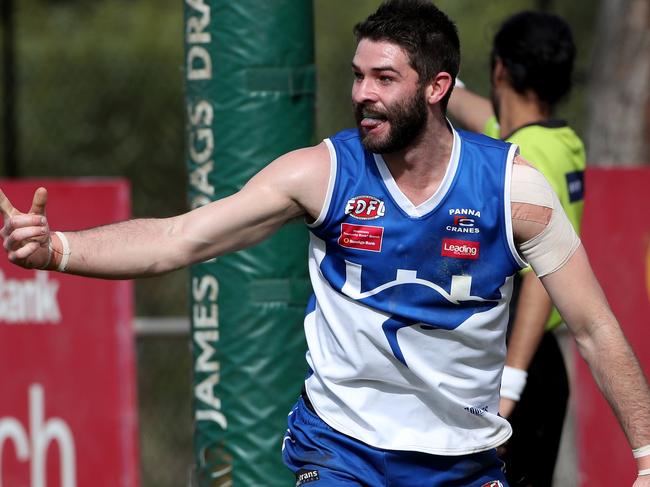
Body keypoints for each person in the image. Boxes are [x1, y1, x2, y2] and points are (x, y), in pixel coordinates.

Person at [1, 1, 649, 486]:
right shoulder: (322, 173)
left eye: (384, 78)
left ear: (437, 88)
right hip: (343, 454)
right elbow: (177, 239)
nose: (363, 93)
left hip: (464, 462)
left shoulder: (514, 189)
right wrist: (57, 248)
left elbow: (595, 328)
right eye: (358, 75)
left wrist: (646, 455)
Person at [448, 11, 585, 485]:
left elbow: (541, 285)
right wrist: (432, 74)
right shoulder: (553, 141)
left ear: (501, 68)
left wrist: (509, 388)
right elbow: (478, 112)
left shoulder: (526, 156)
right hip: (538, 361)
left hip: (520, 363)